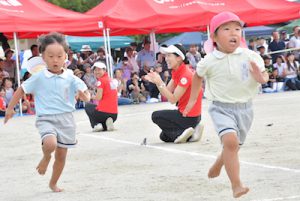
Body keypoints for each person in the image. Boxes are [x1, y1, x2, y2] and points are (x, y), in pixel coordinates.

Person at [183, 12, 269, 198]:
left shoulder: (250, 56)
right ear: (214, 37)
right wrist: (191, 100)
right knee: (230, 142)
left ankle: (219, 163)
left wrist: (261, 78)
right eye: (227, 29)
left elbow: (265, 75)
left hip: (245, 109)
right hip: (221, 108)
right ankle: (236, 185)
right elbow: (197, 77)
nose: (234, 33)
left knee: (233, 146)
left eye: (238, 29)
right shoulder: (209, 60)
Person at [4, 32, 90, 192]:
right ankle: (45, 156)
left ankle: (53, 183)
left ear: (66, 56)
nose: (55, 60)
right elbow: (21, 90)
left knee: (62, 156)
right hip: (46, 119)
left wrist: (85, 96)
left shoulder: (71, 77)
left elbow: (86, 94)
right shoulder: (39, 77)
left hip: (67, 120)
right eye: (50, 56)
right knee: (50, 144)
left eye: (59, 56)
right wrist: (10, 108)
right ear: (43, 57)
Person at [145, 44, 204, 143]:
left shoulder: (186, 74)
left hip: (188, 117)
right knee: (163, 136)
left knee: (155, 116)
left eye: (169, 55)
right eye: (166, 56)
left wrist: (159, 82)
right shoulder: (177, 71)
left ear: (179, 58)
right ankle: (189, 134)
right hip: (189, 117)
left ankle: (187, 133)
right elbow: (166, 92)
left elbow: (172, 99)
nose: (166, 58)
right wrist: (157, 82)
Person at [84, 61, 118, 132]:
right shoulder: (111, 80)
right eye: (95, 70)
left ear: (104, 70)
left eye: (99, 70)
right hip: (114, 114)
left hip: (103, 112)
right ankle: (107, 123)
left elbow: (98, 97)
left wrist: (89, 96)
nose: (96, 72)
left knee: (88, 106)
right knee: (103, 124)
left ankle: (96, 125)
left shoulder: (101, 81)